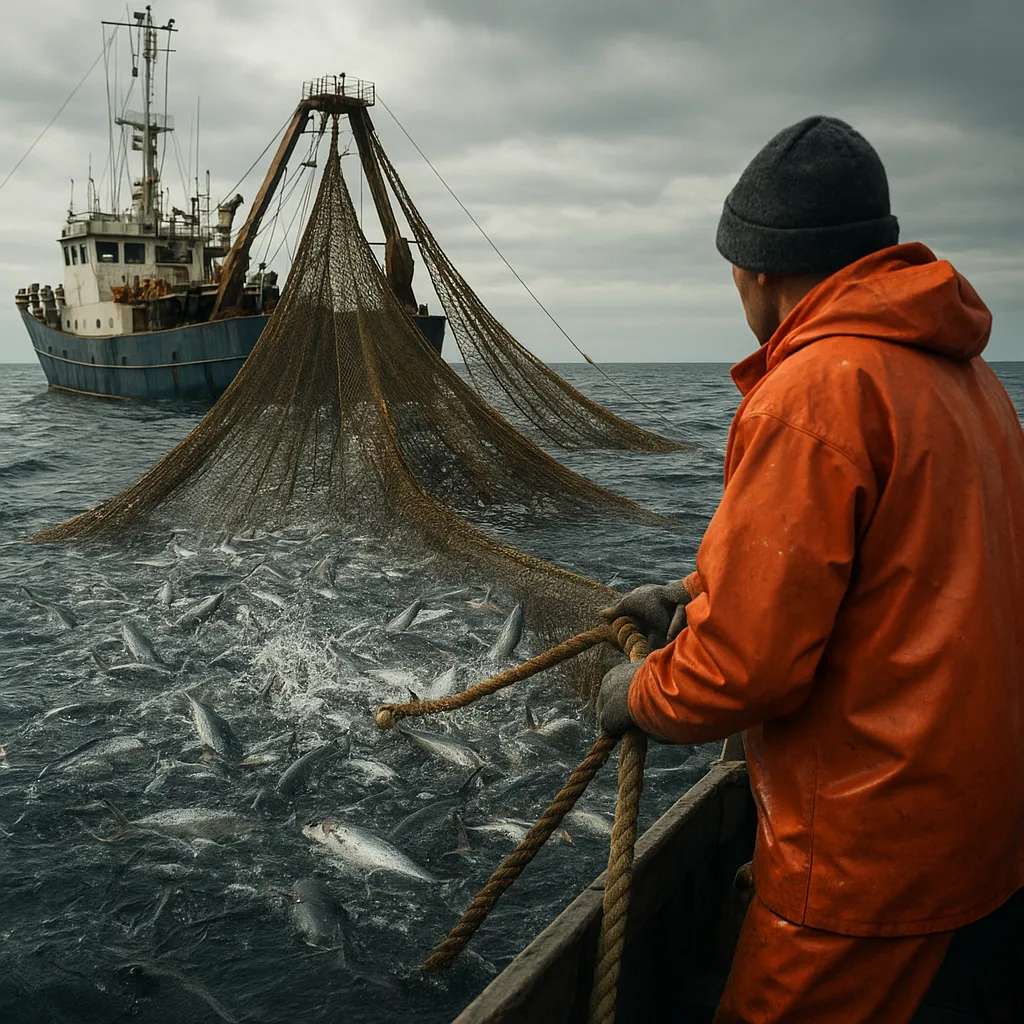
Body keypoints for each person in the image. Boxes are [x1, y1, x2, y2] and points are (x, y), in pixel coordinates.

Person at [596, 115, 1024, 1023]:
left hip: (867, 862)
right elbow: (903, 574)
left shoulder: (814, 391)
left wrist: (637, 695)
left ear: (758, 269)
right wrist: (695, 593)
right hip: (985, 834)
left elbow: (746, 668)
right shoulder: (971, 382)